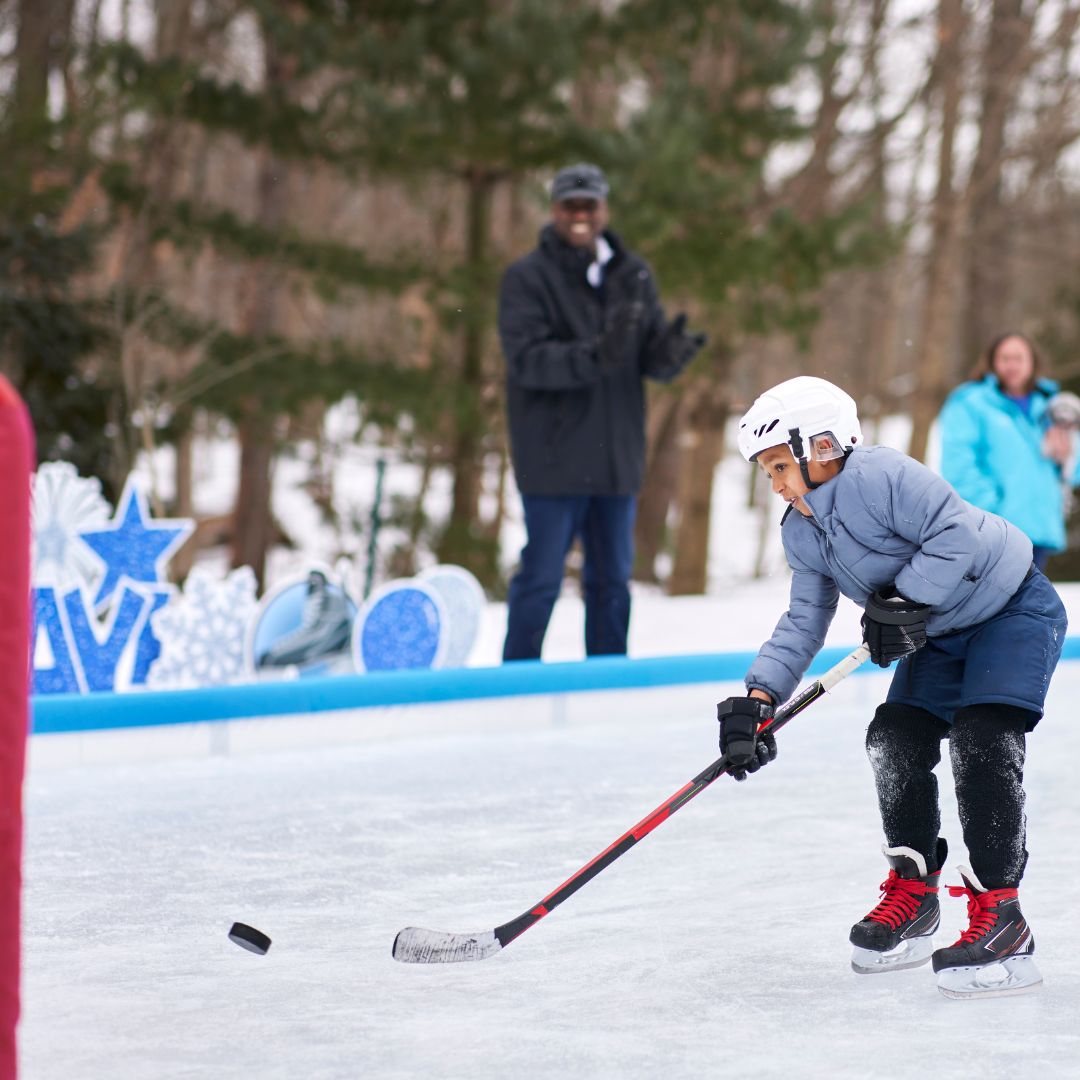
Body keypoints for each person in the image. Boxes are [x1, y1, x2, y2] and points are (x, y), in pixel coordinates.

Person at [716, 375, 1066, 998]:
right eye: (765, 471)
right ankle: (914, 889)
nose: (774, 484)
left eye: (778, 465)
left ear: (820, 445)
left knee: (983, 740)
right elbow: (804, 618)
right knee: (894, 739)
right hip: (937, 632)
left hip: (1011, 608)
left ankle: (1003, 916)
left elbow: (953, 530)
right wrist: (760, 697)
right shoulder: (801, 530)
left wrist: (903, 600)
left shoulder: (879, 475)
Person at [498, 163, 705, 661]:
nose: (580, 215)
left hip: (616, 457)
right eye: (570, 205)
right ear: (555, 210)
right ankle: (516, 678)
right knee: (542, 577)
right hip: (552, 459)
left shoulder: (631, 273)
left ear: (602, 207)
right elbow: (527, 361)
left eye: (588, 205)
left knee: (612, 581)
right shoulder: (528, 278)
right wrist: (598, 354)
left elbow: (647, 356)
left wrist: (670, 352)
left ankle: (608, 680)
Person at [937, 331, 1080, 570]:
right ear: (993, 361)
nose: (1012, 365)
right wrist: (992, 510)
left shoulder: (1050, 407)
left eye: (1019, 357)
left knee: (1029, 606)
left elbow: (1073, 473)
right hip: (996, 532)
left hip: (1039, 529)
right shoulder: (971, 402)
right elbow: (958, 465)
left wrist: (1067, 456)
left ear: (1032, 362)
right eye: (1005, 358)